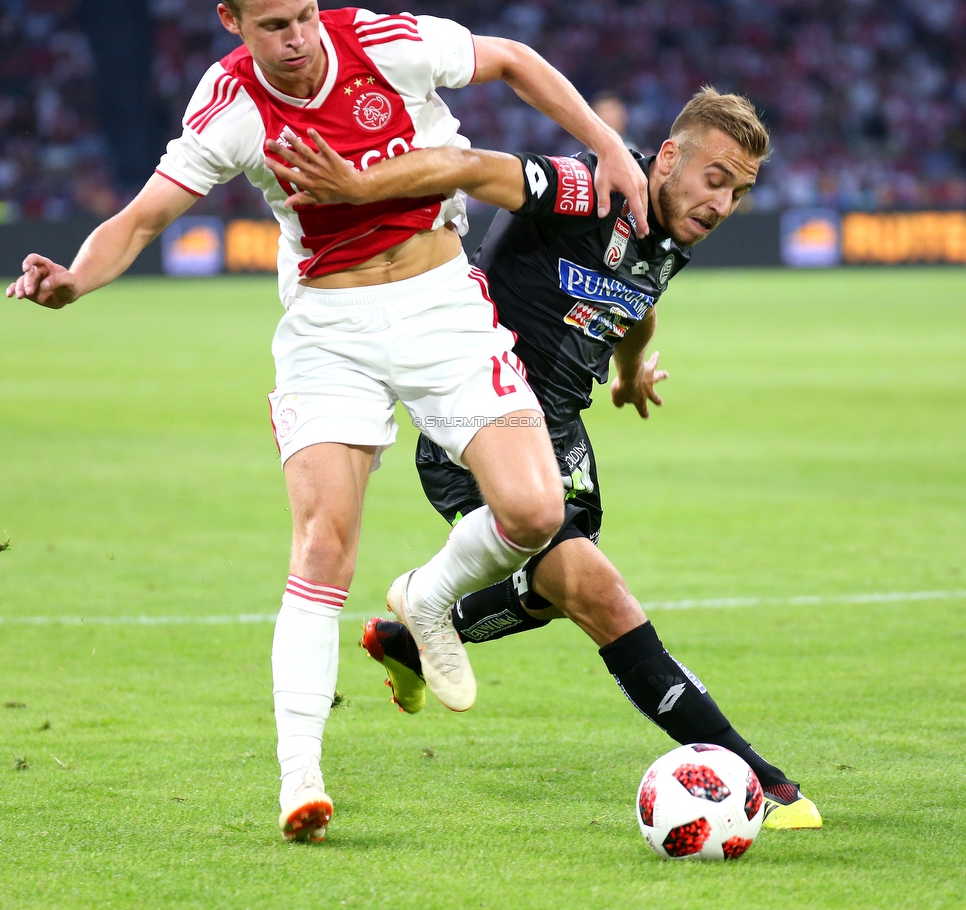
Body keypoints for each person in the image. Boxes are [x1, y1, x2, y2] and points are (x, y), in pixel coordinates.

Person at [5, 0, 652, 844]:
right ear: (232, 22)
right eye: (275, 25)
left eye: (306, 13)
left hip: (440, 307)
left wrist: (608, 148)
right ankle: (300, 781)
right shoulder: (230, 104)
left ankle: (426, 597)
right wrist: (74, 277)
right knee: (322, 546)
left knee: (539, 511)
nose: (300, 37)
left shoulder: (384, 44)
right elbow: (145, 215)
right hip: (329, 331)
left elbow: (511, 59)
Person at [265, 86, 823, 830]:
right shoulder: (585, 189)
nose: (722, 204)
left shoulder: (669, 239)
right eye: (714, 180)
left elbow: (640, 296)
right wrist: (358, 184)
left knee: (547, 593)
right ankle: (753, 776)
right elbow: (467, 167)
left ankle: (413, 633)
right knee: (598, 593)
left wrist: (629, 371)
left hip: (559, 434)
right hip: (477, 423)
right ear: (668, 160)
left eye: (740, 192)